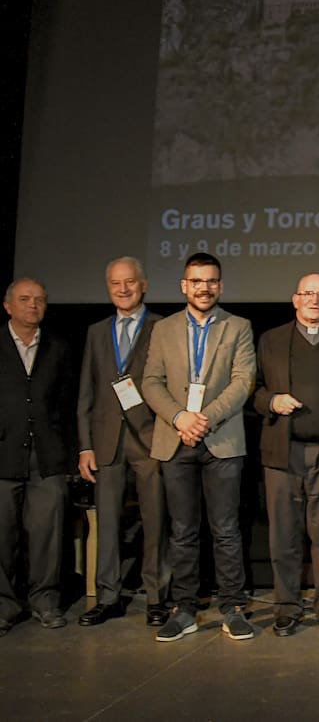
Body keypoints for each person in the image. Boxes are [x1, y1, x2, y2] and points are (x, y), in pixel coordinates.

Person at [143, 252, 257, 642]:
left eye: (210, 281)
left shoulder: (238, 327)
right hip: (175, 440)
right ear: (184, 286)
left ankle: (232, 608)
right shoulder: (163, 329)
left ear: (220, 286)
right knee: (182, 531)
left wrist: (203, 418)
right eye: (196, 281)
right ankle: (185, 609)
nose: (203, 288)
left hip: (221, 439)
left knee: (226, 530)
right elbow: (151, 381)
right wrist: (180, 418)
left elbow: (243, 381)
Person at [253, 273, 319, 638]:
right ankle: (286, 607)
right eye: (308, 293)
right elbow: (253, 392)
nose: (315, 300)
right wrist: (272, 401)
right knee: (283, 536)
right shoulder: (270, 340)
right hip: (282, 453)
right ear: (295, 299)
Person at [77, 257, 169, 628]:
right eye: (116, 283)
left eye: (130, 282)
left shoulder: (163, 326)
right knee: (108, 523)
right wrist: (85, 445)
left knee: (155, 521)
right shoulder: (96, 331)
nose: (123, 289)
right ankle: (108, 597)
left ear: (143, 285)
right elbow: (87, 391)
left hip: (150, 438)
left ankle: (157, 598)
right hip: (106, 441)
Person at [0, 278, 75, 635]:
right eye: (25, 299)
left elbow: (68, 404)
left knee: (48, 534)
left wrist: (70, 454)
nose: (33, 305)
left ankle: (45, 601)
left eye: (40, 300)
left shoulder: (58, 348)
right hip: (3, 454)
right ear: (8, 306)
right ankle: (4, 605)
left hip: (47, 457)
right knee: (2, 535)